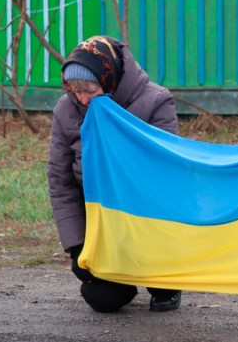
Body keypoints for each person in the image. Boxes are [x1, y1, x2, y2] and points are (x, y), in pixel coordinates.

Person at [47, 35, 183, 313]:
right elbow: (60, 181)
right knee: (102, 298)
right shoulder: (66, 108)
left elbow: (165, 171)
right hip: (101, 222)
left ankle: (165, 280)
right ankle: (120, 277)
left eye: (89, 89)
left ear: (109, 78)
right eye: (74, 89)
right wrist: (78, 244)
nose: (82, 99)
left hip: (147, 216)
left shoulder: (156, 101)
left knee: (161, 276)